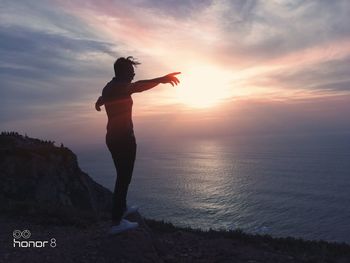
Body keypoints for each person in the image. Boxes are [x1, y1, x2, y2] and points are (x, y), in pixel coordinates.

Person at [95, 56, 180, 235]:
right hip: (124, 140)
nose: (133, 74)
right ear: (122, 72)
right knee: (124, 178)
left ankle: (121, 209)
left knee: (122, 176)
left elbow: (104, 96)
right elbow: (138, 86)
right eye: (131, 71)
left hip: (112, 138)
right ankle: (117, 222)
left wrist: (99, 102)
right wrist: (162, 79)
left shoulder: (109, 87)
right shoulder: (121, 87)